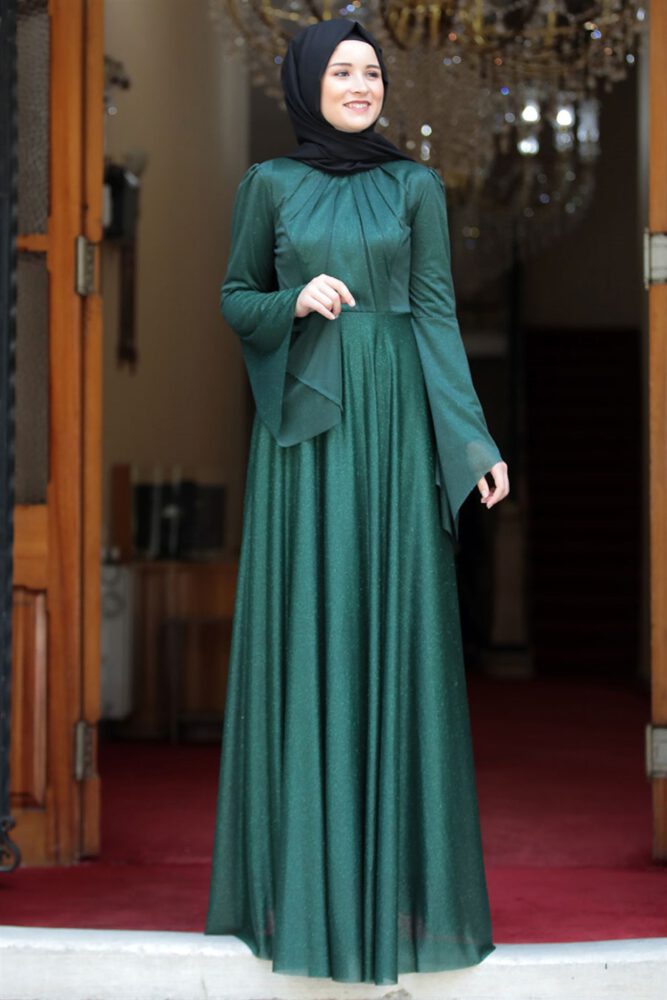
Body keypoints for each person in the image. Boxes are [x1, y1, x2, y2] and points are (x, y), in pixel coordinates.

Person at [205, 17, 509, 986]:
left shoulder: (414, 187)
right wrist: (292, 302)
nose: (359, 84)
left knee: (392, 633)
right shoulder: (268, 185)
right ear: (307, 83)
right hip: (306, 434)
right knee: (313, 634)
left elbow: (434, 315)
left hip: (393, 432)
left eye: (371, 72)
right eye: (341, 71)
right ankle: (303, 896)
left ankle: (385, 899)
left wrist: (469, 440)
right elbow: (234, 295)